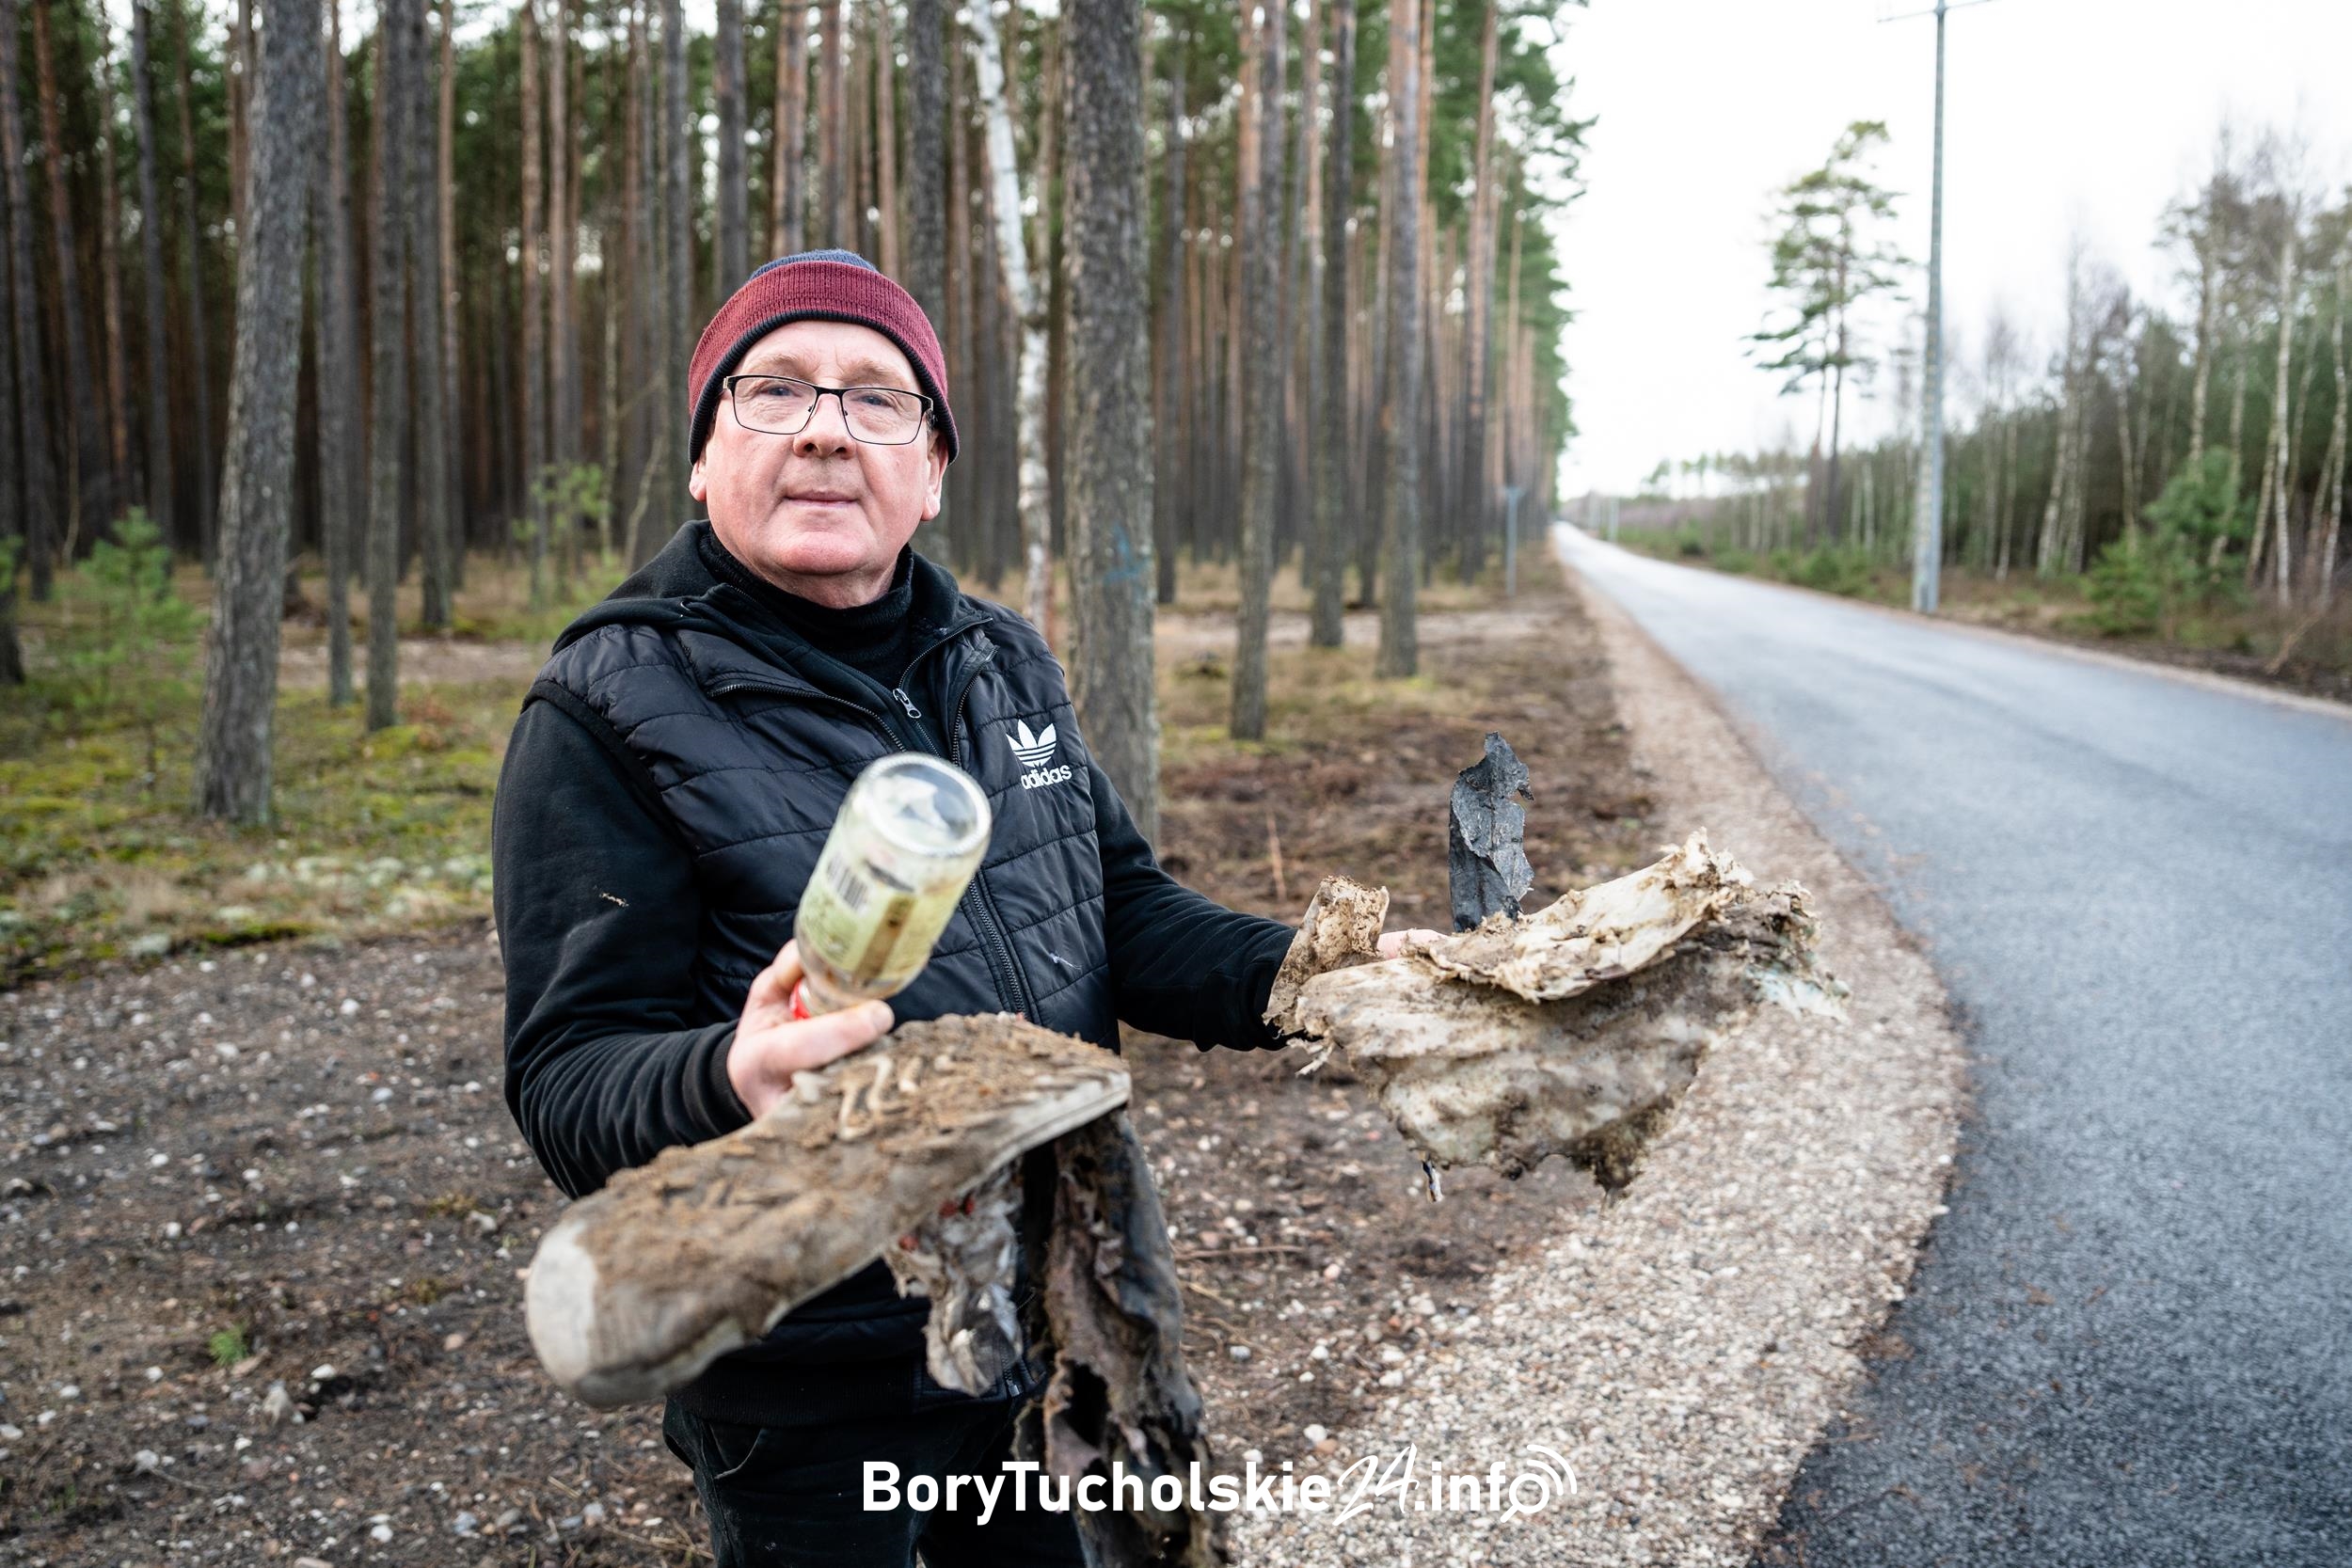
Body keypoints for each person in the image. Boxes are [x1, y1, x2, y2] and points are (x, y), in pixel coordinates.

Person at [492, 249, 1435, 1567]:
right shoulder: (604, 710)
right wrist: (728, 1075)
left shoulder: (1001, 658)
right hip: (808, 1365)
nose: (825, 425)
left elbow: (1118, 907)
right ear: (705, 459)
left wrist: (1318, 976)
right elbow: (569, 1075)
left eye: (878, 397)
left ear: (930, 473)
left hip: (1048, 1305)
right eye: (773, 391)